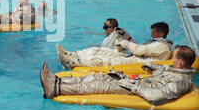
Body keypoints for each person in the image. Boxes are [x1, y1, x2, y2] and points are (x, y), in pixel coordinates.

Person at [40, 45, 197, 106]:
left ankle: (54, 88)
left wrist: (135, 86)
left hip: (134, 89)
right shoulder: (176, 71)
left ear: (181, 63)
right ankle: (58, 81)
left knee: (98, 85)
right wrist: (155, 69)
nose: (172, 59)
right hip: (137, 82)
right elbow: (163, 76)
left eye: (174, 58)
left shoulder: (180, 81)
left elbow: (156, 96)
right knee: (98, 77)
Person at [57, 22, 173, 68]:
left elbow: (139, 50)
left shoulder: (162, 46)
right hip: (133, 57)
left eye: (153, 32)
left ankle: (73, 62)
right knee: (100, 50)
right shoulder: (157, 42)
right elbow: (141, 49)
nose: (151, 33)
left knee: (105, 60)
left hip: (136, 62)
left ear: (161, 33)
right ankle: (72, 54)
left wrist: (124, 42)